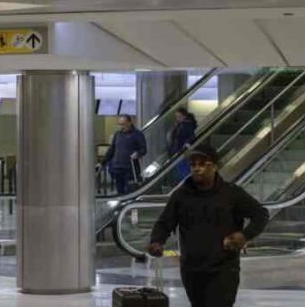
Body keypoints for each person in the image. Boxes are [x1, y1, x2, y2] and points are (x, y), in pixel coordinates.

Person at [148, 144, 269, 307]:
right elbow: (165, 222)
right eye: (193, 165)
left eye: (203, 164)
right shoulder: (181, 195)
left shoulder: (231, 193)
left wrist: (244, 235)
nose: (197, 169)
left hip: (223, 269)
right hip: (192, 269)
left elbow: (260, 214)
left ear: (215, 166)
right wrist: (157, 241)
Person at [99, 114, 147, 195]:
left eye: (123, 124)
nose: (121, 126)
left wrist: (137, 154)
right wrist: (102, 163)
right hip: (118, 169)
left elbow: (144, 150)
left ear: (129, 123)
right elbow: (111, 150)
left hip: (130, 169)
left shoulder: (137, 134)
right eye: (120, 124)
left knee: (129, 192)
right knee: (120, 192)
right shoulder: (117, 134)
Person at [171, 107, 198, 180]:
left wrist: (187, 143)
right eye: (176, 117)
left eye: (179, 116)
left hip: (182, 151)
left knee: (184, 169)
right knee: (181, 169)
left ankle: (188, 184)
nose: (177, 118)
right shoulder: (179, 125)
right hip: (177, 150)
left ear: (184, 116)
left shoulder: (187, 125)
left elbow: (191, 136)